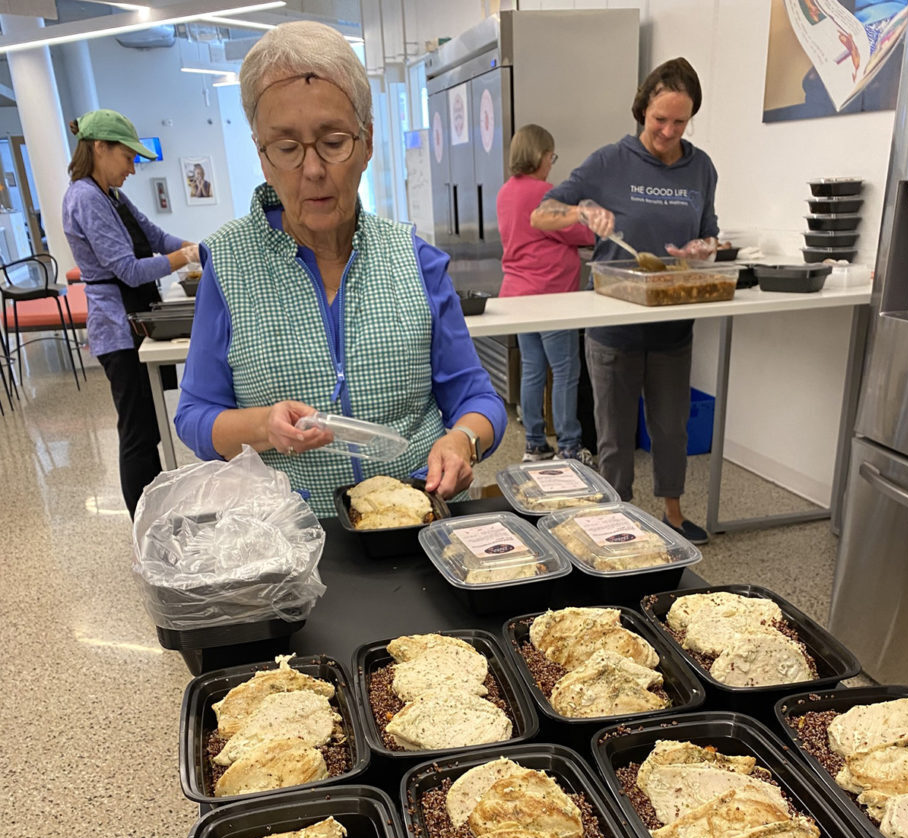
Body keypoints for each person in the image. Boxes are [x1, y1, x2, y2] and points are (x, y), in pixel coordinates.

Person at [175, 21, 505, 518]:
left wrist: (463, 441)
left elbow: (478, 398)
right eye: (286, 147)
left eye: (333, 141)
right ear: (262, 158)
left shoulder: (414, 261)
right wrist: (263, 426)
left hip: (412, 523)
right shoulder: (228, 265)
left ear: (367, 142)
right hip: (289, 539)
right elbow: (196, 417)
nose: (312, 170)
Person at [531, 58, 719, 544]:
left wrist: (703, 249)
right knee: (614, 439)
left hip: (673, 324)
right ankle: (618, 522)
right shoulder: (609, 161)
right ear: (642, 110)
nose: (669, 130)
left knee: (671, 430)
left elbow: (709, 234)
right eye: (661, 119)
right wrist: (581, 209)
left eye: (680, 121)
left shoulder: (701, 168)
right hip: (613, 328)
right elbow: (541, 214)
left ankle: (674, 516)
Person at [62, 109, 199, 516]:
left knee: (152, 423)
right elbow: (128, 269)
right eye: (128, 158)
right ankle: (146, 525)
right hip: (117, 326)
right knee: (137, 432)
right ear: (100, 148)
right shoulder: (85, 197)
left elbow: (155, 236)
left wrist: (197, 247)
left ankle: (158, 510)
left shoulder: (112, 196)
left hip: (134, 316)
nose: (132, 169)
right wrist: (182, 258)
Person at [496, 124, 596, 465]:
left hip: (518, 296)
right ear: (540, 155)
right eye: (551, 156)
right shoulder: (544, 193)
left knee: (532, 369)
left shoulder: (506, 192)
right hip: (551, 294)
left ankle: (535, 444)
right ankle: (569, 445)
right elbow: (576, 234)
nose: (551, 163)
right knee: (566, 371)